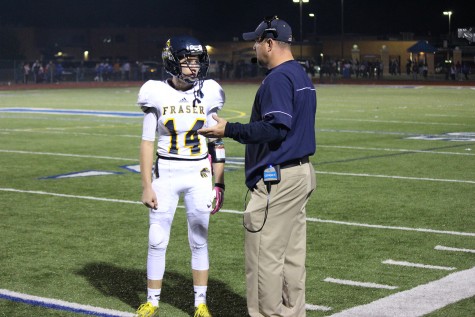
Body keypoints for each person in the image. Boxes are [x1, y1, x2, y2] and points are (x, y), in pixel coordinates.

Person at [198, 16, 317, 317]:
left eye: (256, 41)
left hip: (278, 180)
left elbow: (276, 128)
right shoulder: (300, 74)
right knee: (291, 259)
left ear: (269, 43)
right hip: (300, 174)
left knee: (265, 259)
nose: (253, 46)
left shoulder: (278, 78)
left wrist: (230, 130)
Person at [135, 35, 226, 317]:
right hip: (166, 172)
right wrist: (146, 185)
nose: (193, 68)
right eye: (187, 62)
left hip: (198, 172)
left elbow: (217, 142)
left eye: (196, 61)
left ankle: (200, 303)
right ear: (172, 63)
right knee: (157, 238)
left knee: (199, 239)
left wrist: (219, 183)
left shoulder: (210, 91)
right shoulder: (155, 91)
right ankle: (152, 300)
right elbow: (147, 141)